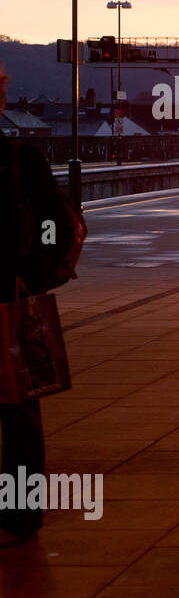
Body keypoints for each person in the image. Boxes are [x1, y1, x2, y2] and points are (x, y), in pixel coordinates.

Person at [0, 64, 82, 541]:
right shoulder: (19, 161)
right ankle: (21, 511)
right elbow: (60, 224)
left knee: (18, 410)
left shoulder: (19, 160)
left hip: (7, 301)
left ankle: (21, 510)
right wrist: (31, 278)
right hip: (10, 299)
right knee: (19, 411)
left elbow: (57, 224)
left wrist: (25, 278)